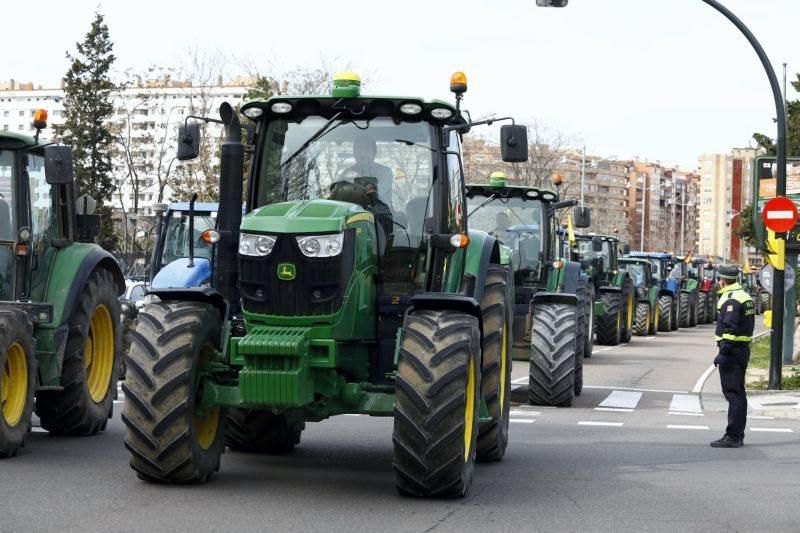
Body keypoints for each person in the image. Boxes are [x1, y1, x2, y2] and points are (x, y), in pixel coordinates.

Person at [710, 265, 755, 448]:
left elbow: (730, 328)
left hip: (732, 351)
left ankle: (733, 436)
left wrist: (723, 352)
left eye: (718, 280)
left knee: (733, 394)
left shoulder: (731, 299)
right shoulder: (744, 295)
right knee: (739, 393)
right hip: (742, 349)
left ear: (722, 280)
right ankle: (738, 434)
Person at [344, 135, 394, 209]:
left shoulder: (385, 172)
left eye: (366, 149)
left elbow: (375, 193)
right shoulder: (346, 173)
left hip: (380, 217)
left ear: (374, 153)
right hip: (352, 216)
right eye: (359, 149)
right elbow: (336, 192)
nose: (362, 153)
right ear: (354, 153)